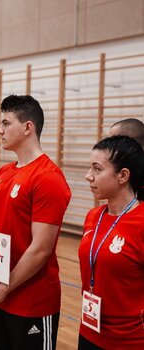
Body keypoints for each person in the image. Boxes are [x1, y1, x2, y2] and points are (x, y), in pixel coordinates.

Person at [0, 95, 71, 350]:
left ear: (28, 127)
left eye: (6, 123)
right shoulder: (4, 173)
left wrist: (6, 286)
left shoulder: (48, 177)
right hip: (0, 295)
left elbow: (40, 249)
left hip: (33, 302)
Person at [78, 135, 144, 349]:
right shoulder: (93, 216)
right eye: (90, 168)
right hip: (88, 330)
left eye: (97, 169)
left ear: (123, 175)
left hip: (129, 341)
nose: (89, 176)